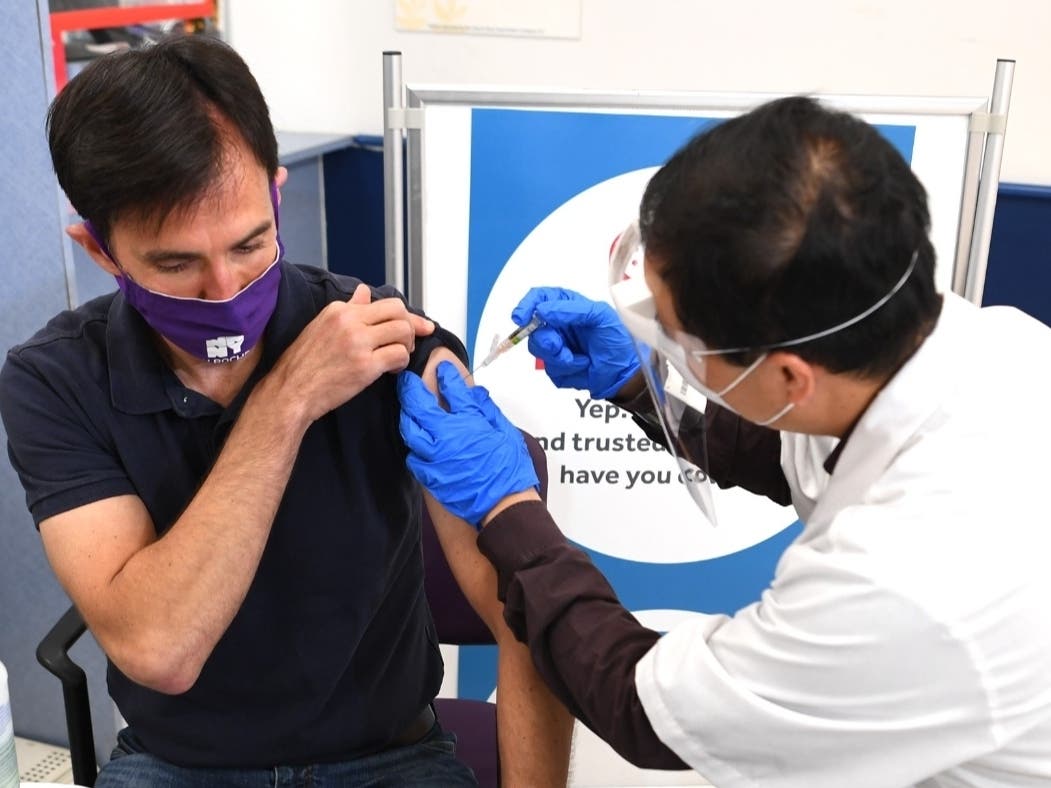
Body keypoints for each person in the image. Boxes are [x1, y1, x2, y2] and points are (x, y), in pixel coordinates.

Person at [396, 96, 1051, 786]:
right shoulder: (982, 344)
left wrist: (506, 508)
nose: (660, 344)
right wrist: (637, 387)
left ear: (791, 375)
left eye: (675, 337)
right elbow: (794, 454)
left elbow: (642, 711)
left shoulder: (903, 575)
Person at [0, 34, 572, 787]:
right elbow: (159, 650)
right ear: (100, 251)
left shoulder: (391, 344)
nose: (226, 290)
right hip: (180, 765)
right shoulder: (55, 380)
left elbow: (525, 611)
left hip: (389, 756)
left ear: (276, 193)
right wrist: (288, 398)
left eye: (250, 244)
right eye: (176, 263)